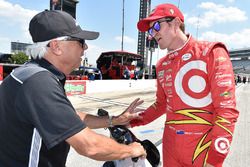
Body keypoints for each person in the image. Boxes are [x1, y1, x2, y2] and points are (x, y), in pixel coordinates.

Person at [0, 10, 146, 167]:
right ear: (56, 46)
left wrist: (114, 120)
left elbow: (68, 117)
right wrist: (131, 150)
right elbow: (90, 146)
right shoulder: (39, 83)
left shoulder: (31, 73)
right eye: (81, 42)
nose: (86, 47)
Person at [119, 3, 239, 167]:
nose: (152, 34)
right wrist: (131, 121)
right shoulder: (161, 65)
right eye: (150, 30)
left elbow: (226, 111)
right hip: (171, 151)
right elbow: (161, 105)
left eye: (155, 26)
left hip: (201, 152)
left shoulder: (212, 52)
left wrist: (215, 158)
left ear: (175, 23)